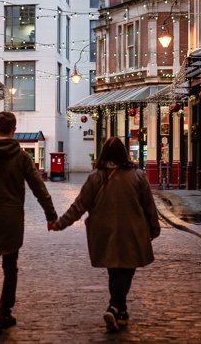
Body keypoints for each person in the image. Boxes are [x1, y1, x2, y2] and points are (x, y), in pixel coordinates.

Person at [0, 111, 57, 336]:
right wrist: (50, 215)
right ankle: (5, 312)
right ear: (14, 129)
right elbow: (38, 187)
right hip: (11, 218)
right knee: (10, 266)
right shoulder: (21, 156)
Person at [52, 136, 161, 332]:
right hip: (131, 230)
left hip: (104, 232)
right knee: (126, 270)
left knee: (114, 270)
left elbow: (79, 206)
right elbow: (148, 205)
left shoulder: (95, 177)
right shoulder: (137, 175)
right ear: (124, 154)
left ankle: (121, 311)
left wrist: (60, 223)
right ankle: (114, 306)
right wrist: (154, 227)